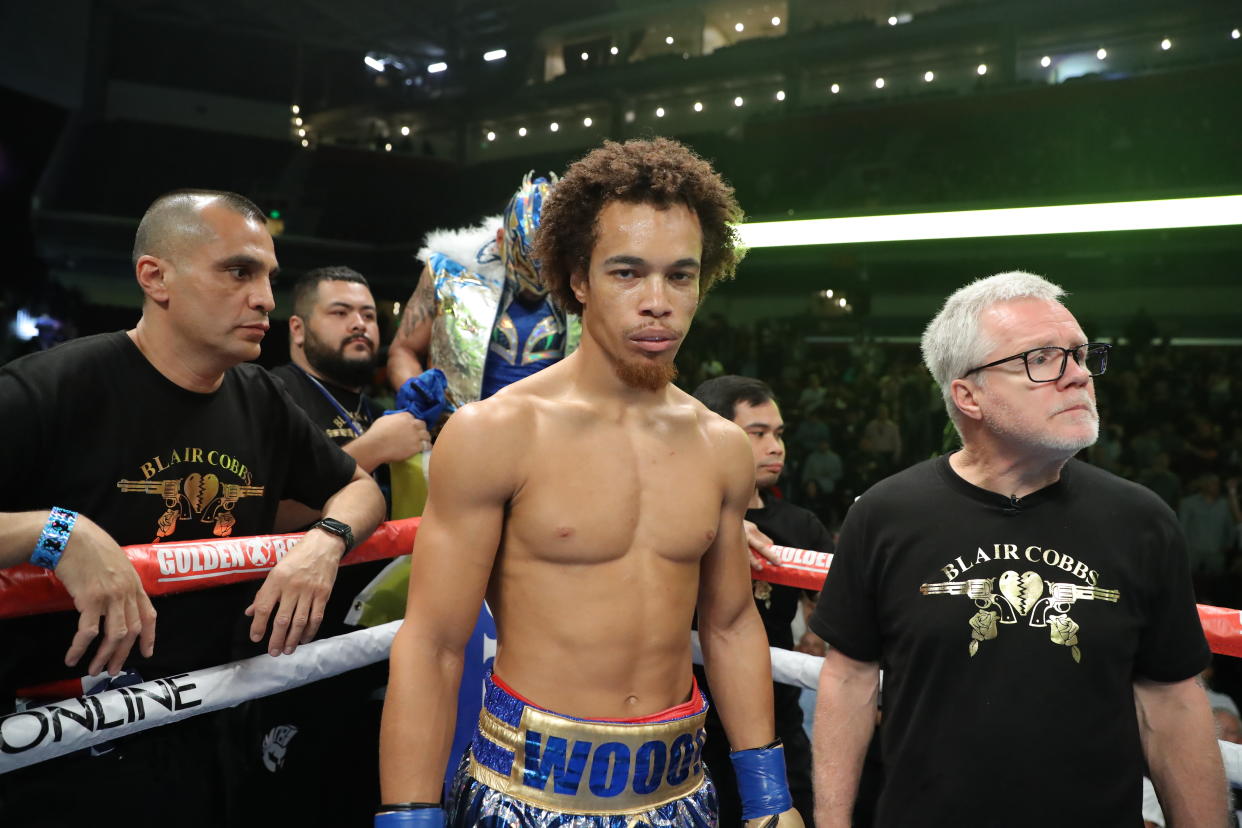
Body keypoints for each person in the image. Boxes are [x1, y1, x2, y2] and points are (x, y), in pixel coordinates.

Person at [379, 138, 803, 828]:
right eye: (628, 273)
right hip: (526, 795)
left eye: (681, 276)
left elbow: (727, 624)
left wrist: (768, 797)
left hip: (681, 792)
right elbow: (433, 642)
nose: (658, 302)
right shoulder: (497, 433)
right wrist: (408, 819)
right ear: (578, 278)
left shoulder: (721, 447)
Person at [0, 189, 386, 826]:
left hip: (216, 724)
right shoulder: (54, 387)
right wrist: (54, 532)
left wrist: (324, 543)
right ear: (156, 278)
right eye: (238, 272)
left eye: (267, 277)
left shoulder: (259, 396)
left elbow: (360, 487)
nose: (263, 297)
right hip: (60, 749)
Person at [810, 270, 1227, 827]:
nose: (1078, 376)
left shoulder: (1141, 520)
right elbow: (850, 679)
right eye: (1043, 359)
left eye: (1080, 356)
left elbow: (1172, 701)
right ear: (968, 395)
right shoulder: (885, 514)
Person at [693, 375, 833, 828]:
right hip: (688, 725)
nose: (776, 446)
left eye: (779, 434)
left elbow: (834, 609)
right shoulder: (676, 520)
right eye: (758, 433)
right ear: (715, 434)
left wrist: (818, 634)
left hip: (778, 719)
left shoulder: (800, 523)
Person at [387, 173, 579, 408]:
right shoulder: (449, 273)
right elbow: (403, 350)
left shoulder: (588, 286)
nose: (537, 274)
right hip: (457, 430)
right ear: (500, 240)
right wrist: (416, 392)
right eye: (526, 259)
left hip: (554, 434)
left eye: (549, 261)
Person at [274, 266, 431, 474]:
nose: (359, 324)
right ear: (298, 329)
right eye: (340, 312)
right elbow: (268, 500)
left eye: (368, 315)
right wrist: (375, 448)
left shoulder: (381, 415)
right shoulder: (272, 395)